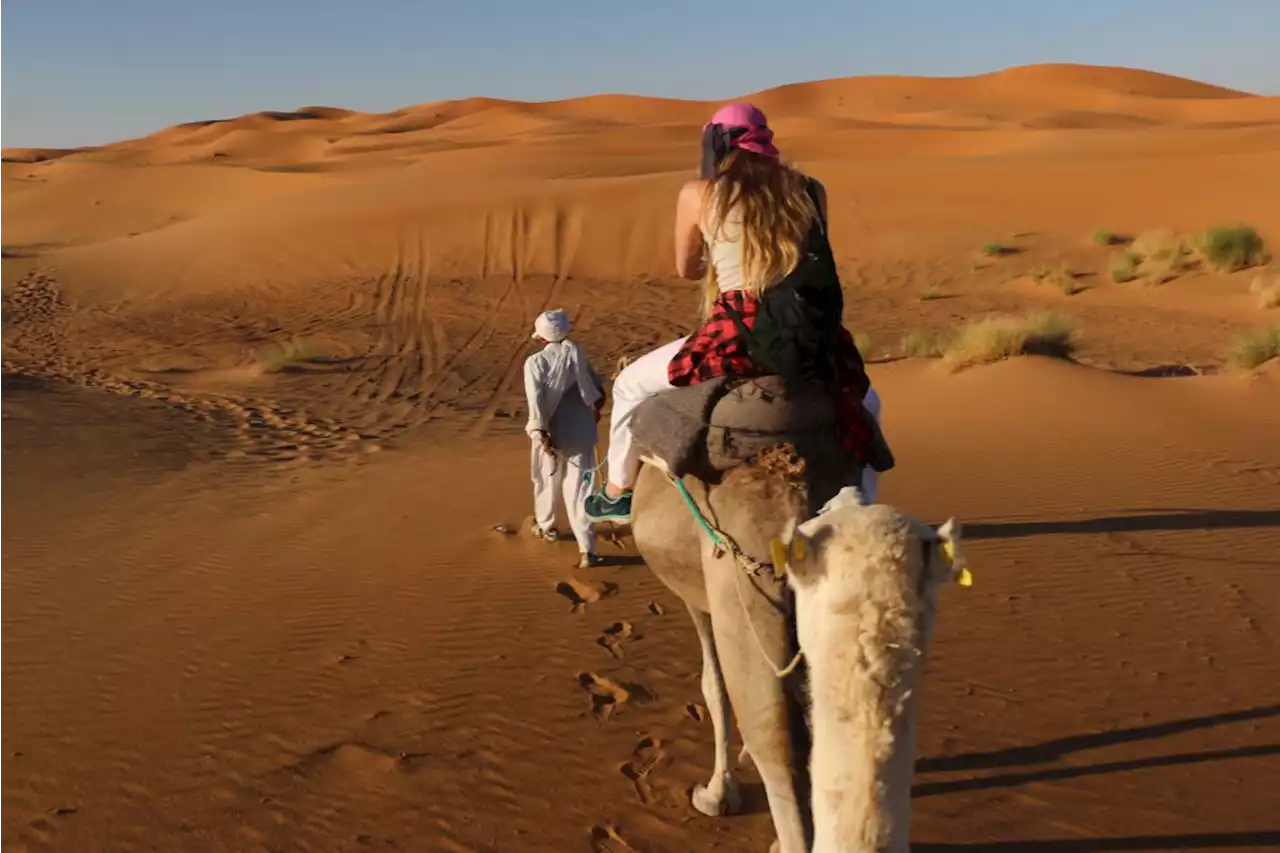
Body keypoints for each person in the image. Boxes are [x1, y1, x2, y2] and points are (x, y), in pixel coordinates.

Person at [584, 102, 883, 524]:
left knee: (631, 385)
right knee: (868, 401)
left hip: (736, 330)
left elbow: (687, 269)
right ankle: (863, 505)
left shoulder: (699, 194)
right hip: (807, 333)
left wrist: (722, 260)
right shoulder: (811, 190)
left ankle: (617, 492)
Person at [523, 309, 607, 568]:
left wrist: (540, 433)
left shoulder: (535, 362)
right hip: (581, 433)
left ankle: (547, 528)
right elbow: (597, 393)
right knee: (581, 491)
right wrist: (592, 415)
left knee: (548, 483)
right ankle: (587, 550)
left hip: (550, 434)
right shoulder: (577, 355)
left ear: (541, 339)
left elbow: (535, 403)